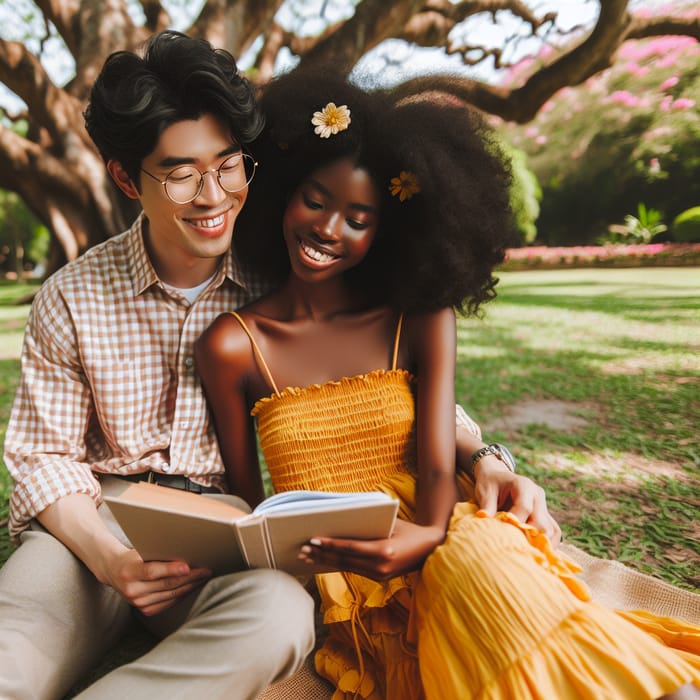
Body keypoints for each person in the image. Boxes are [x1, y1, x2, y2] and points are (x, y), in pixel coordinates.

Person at [0, 30, 555, 700]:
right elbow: (42, 456)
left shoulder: (289, 266)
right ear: (125, 177)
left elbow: (386, 382)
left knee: (281, 617)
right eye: (180, 173)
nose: (212, 195)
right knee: (14, 641)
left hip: (232, 528)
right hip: (98, 518)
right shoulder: (72, 296)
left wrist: (483, 455)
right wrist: (114, 560)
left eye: (227, 164)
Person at [195, 66, 700, 699]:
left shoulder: (418, 317)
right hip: (347, 576)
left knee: (471, 565)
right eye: (316, 200)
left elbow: (437, 468)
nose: (328, 229)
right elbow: (250, 510)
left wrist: (429, 535)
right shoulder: (233, 344)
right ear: (282, 194)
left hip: (450, 521)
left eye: (359, 218)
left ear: (388, 232)